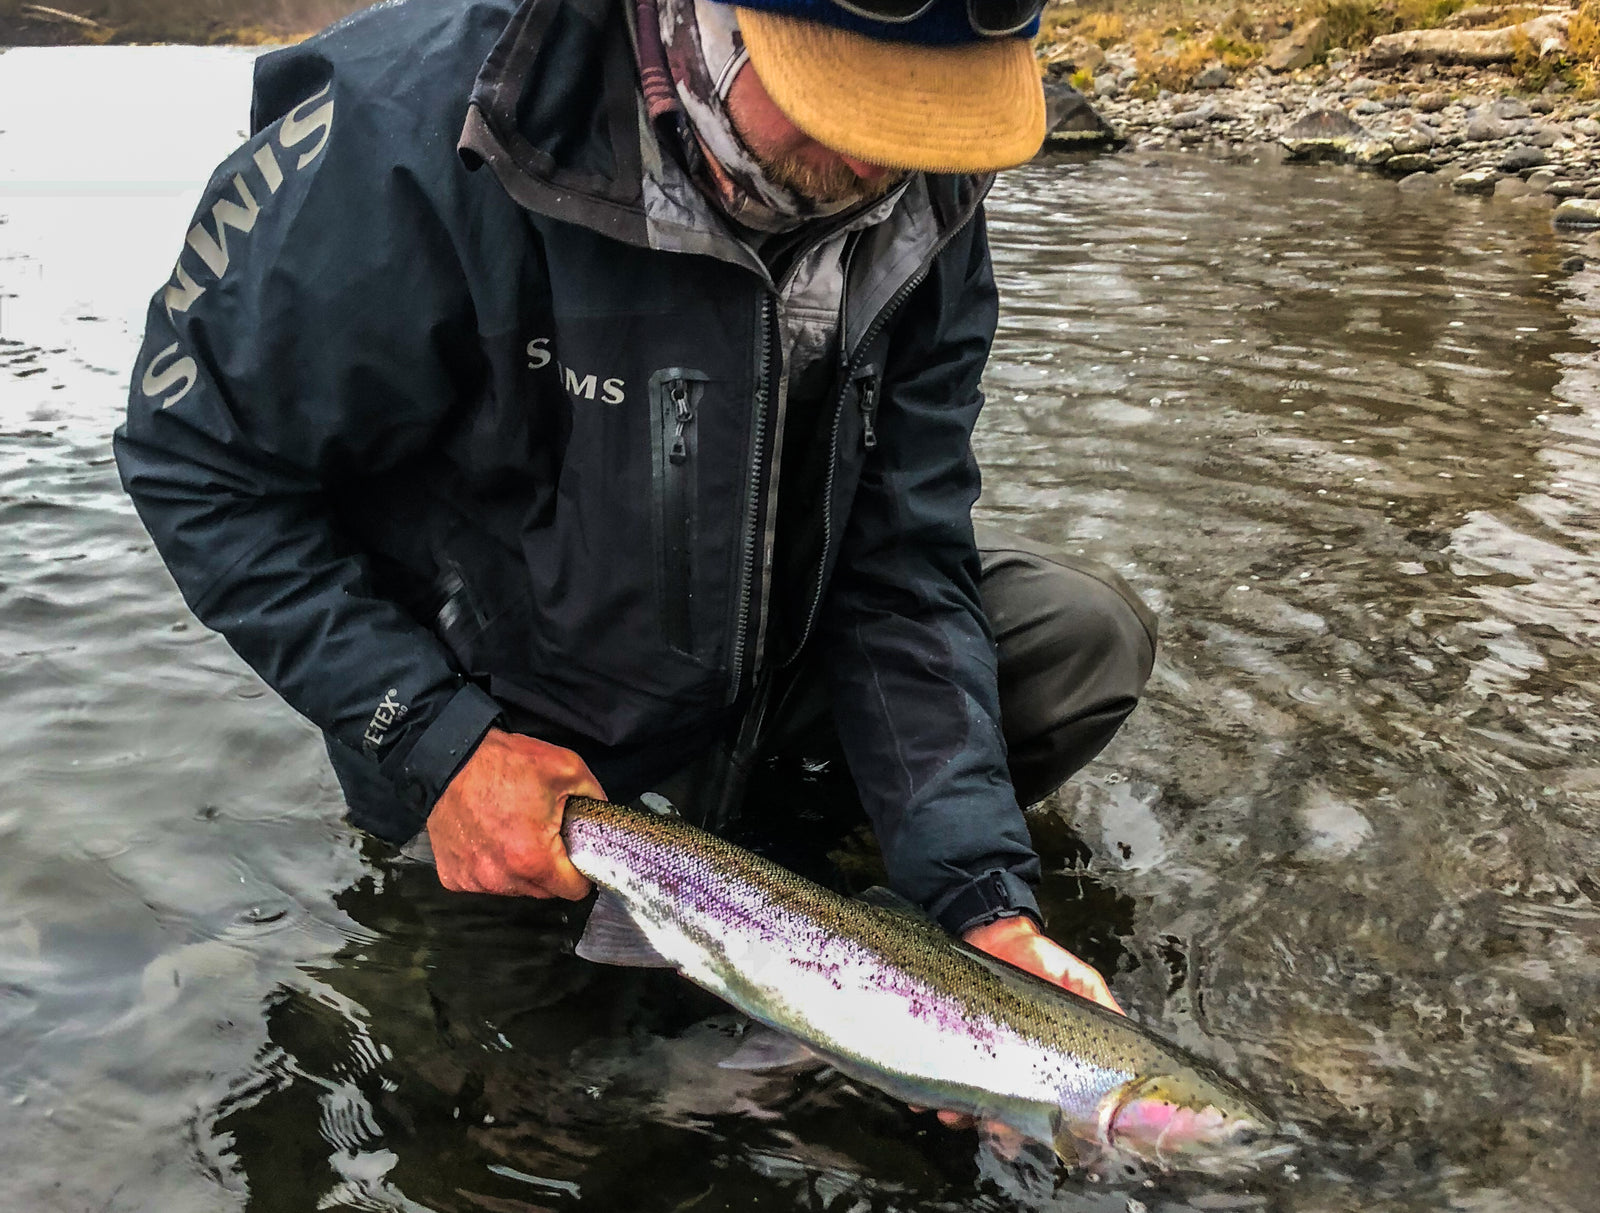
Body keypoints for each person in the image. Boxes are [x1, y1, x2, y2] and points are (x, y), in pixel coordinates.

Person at [113, 0, 1156, 1052]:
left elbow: (898, 560)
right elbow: (198, 459)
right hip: (516, 735)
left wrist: (977, 899)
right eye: (842, 93)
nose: (882, 154)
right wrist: (436, 741)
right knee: (530, 1120)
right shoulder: (403, 136)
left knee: (1076, 640)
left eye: (926, 114)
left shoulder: (925, 196)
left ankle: (781, 876)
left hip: (753, 673)